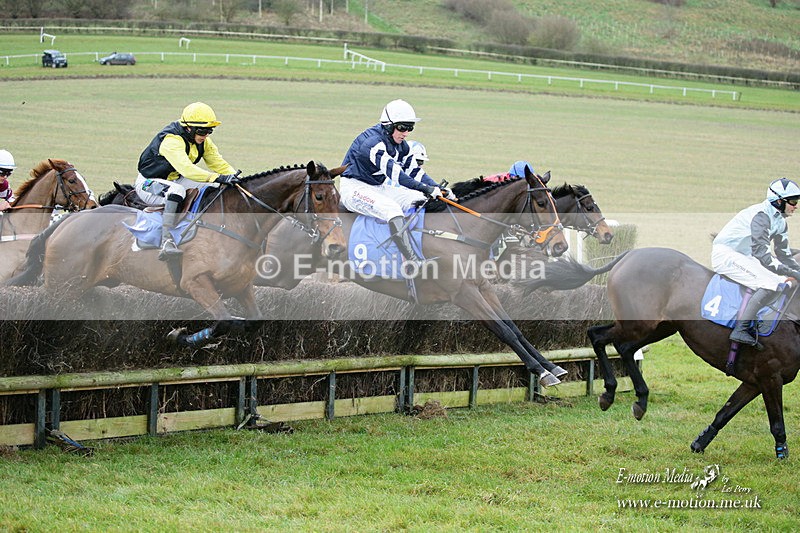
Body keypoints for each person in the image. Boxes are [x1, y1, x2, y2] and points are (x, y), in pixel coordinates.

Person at [340, 99, 455, 268]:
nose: (406, 132)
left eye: (410, 128)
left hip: (377, 187)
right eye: (402, 127)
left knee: (419, 199)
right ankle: (411, 261)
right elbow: (398, 176)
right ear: (388, 125)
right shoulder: (372, 144)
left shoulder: (402, 146)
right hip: (354, 187)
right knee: (392, 209)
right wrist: (427, 189)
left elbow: (415, 172)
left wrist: (438, 188)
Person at [136, 102, 240, 260]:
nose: (205, 135)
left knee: (215, 186)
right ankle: (166, 241)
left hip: (176, 179)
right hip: (149, 183)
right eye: (202, 131)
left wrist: (239, 180)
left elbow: (218, 163)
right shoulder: (171, 141)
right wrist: (217, 176)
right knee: (177, 191)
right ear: (188, 128)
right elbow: (187, 169)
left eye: (209, 131)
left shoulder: (203, 142)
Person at [712, 178, 800, 345]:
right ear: (779, 201)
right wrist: (791, 272)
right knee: (768, 284)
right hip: (726, 254)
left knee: (780, 281)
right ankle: (741, 329)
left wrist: (796, 271)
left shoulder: (780, 221)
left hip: (744, 255)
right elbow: (762, 255)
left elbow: (783, 254)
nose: (796, 206)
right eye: (793, 201)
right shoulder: (761, 216)